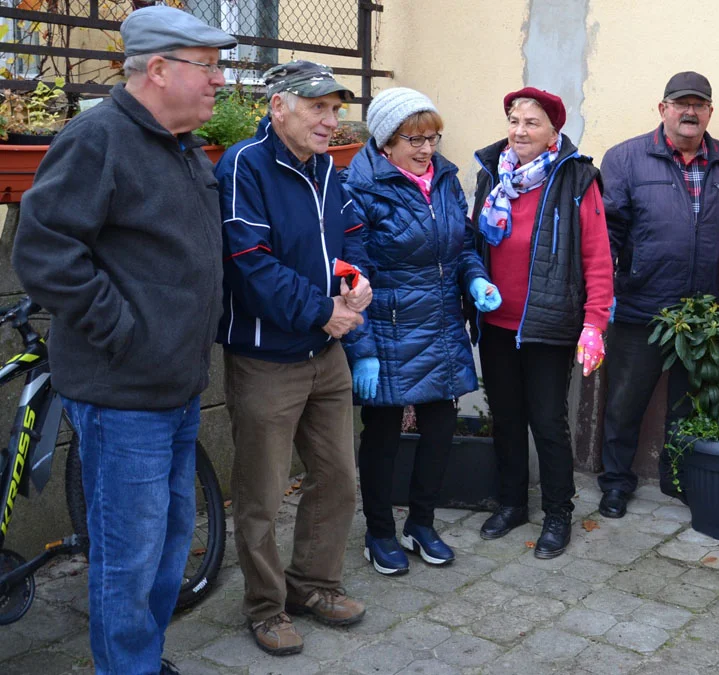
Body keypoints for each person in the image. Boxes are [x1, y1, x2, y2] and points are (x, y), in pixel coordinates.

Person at [11, 7, 234, 674]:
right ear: (158, 69)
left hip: (176, 385)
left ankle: (141, 655)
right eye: (209, 66)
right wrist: (125, 331)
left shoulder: (185, 148)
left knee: (168, 544)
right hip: (122, 393)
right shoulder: (97, 138)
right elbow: (46, 252)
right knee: (128, 554)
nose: (221, 81)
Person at [216, 61, 373, 656]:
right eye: (318, 109)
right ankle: (265, 607)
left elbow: (353, 235)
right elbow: (250, 262)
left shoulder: (329, 171)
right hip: (265, 359)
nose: (330, 122)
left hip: (325, 353)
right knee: (261, 494)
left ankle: (314, 586)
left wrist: (356, 282)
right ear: (278, 106)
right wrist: (322, 310)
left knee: (337, 479)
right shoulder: (243, 166)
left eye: (335, 110)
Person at [342, 87, 500, 575]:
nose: (427, 148)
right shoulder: (359, 188)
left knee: (438, 428)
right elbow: (353, 273)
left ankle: (422, 524)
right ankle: (379, 532)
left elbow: (462, 245)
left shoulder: (447, 181)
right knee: (384, 434)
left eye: (433, 137)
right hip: (388, 330)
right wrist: (361, 348)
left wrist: (475, 278)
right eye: (415, 138)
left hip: (440, 323)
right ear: (386, 141)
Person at [596, 71, 719, 518]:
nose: (690, 112)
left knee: (690, 404)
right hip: (641, 305)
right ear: (663, 109)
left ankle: (677, 478)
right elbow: (607, 233)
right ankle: (615, 482)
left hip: (706, 313)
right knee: (624, 402)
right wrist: (599, 293)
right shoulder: (625, 159)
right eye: (680, 103)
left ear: (710, 112)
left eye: (699, 105)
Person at [470, 87, 613, 559]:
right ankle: (511, 502)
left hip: (550, 323)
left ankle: (557, 513)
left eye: (531, 123)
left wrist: (595, 322)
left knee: (548, 421)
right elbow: (474, 243)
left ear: (554, 130)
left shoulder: (576, 177)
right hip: (496, 322)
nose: (519, 131)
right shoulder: (493, 173)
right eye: (513, 120)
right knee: (506, 417)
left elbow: (596, 255)